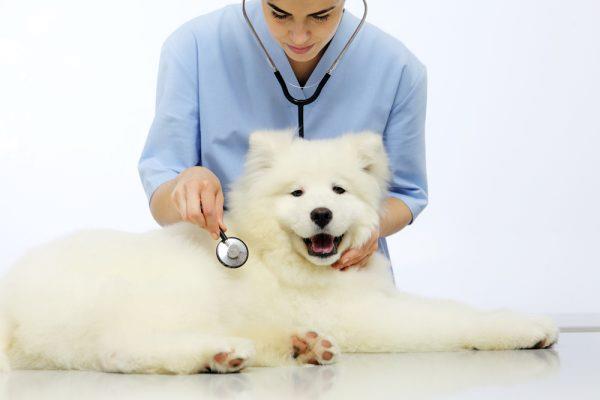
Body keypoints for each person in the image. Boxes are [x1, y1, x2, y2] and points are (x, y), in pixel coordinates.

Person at [138, 0, 428, 281]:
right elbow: (163, 193)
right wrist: (186, 184)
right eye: (279, 14)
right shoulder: (193, 47)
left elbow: (407, 193)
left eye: (321, 16)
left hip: (347, 284)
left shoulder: (399, 68)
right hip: (230, 280)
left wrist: (371, 228)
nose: (299, 36)